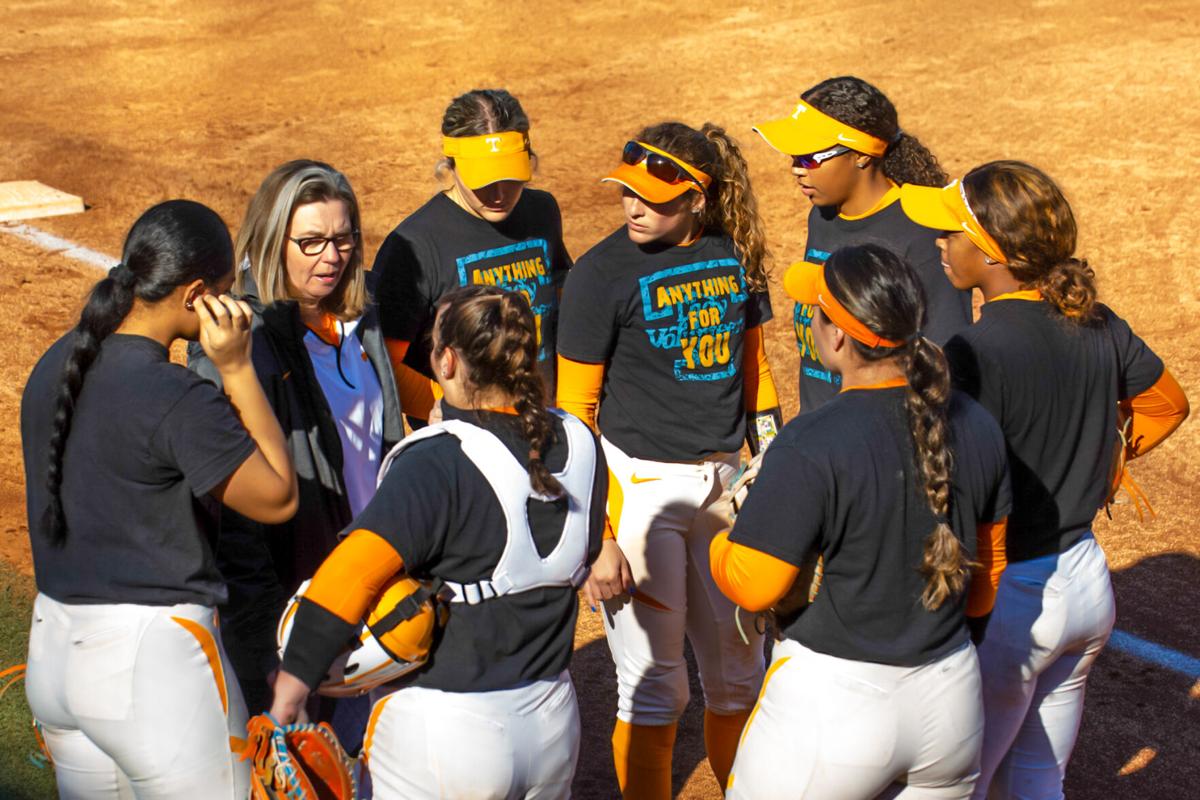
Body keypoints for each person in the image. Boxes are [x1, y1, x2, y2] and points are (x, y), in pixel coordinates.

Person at [901, 161, 1189, 798]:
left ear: (993, 250)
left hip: (1010, 601)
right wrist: (1102, 460)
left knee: (959, 787)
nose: (940, 244)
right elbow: (1169, 402)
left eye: (951, 232)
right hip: (1086, 583)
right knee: (1037, 779)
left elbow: (951, 487)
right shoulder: (1098, 322)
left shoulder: (972, 352)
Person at [269, 284, 607, 799]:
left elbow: (349, 577)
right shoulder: (579, 441)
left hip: (448, 736)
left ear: (446, 362)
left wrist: (288, 696)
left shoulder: (436, 460)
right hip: (554, 725)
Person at [20, 200, 298, 798]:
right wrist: (238, 368)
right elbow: (277, 498)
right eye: (226, 292)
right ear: (196, 293)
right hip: (155, 671)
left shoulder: (53, 366)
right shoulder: (173, 395)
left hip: (55, 656)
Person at [712, 244, 1011, 799]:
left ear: (838, 336)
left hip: (834, 711)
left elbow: (754, 587)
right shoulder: (977, 423)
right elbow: (986, 575)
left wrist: (723, 537)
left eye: (816, 311)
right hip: (950, 703)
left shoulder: (811, 441)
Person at [557, 122, 781, 797]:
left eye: (653, 197)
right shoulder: (599, 276)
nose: (633, 207)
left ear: (698, 200)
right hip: (638, 491)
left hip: (725, 486)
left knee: (741, 674)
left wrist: (772, 462)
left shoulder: (735, 256)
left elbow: (757, 373)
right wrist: (596, 535)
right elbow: (574, 415)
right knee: (659, 686)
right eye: (628, 192)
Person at [187, 160, 403, 735]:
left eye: (342, 238)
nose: (330, 256)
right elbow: (235, 524)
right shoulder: (239, 349)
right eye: (309, 242)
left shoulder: (363, 316)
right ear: (269, 240)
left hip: (376, 579)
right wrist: (268, 651)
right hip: (299, 604)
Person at [753, 75, 970, 413]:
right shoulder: (822, 216)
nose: (797, 170)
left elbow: (945, 359)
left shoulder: (921, 233)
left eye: (810, 158)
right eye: (794, 157)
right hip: (822, 433)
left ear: (861, 155)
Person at [373, 88, 572, 421]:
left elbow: (562, 307)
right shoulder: (414, 246)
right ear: (450, 164)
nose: (499, 193)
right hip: (469, 444)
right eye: (484, 180)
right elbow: (384, 361)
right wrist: (443, 410)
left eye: (510, 177)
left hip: (543, 421)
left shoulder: (542, 212)